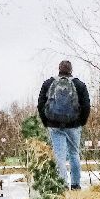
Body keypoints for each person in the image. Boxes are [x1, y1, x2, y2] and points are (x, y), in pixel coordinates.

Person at [37, 60, 91, 189]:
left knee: (59, 156)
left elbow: (40, 104)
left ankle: (62, 185)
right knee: (74, 154)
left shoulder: (48, 83)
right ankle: (76, 184)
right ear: (71, 70)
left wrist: (46, 122)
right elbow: (86, 106)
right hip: (74, 125)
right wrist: (81, 122)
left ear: (59, 69)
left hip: (54, 125)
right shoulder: (79, 84)